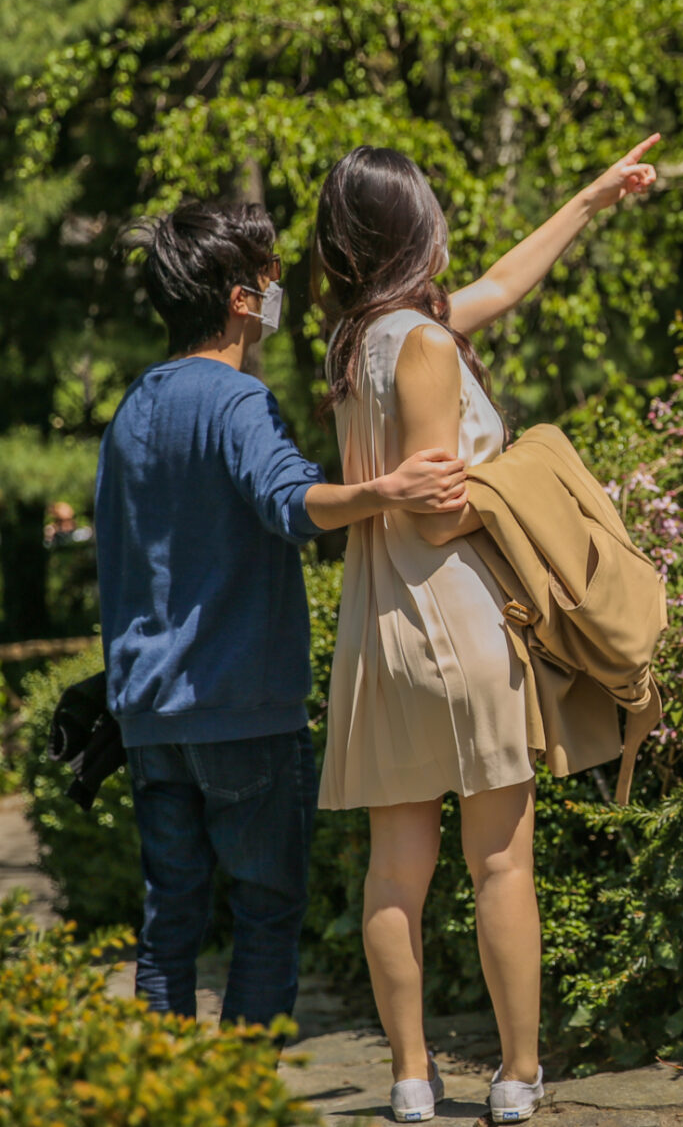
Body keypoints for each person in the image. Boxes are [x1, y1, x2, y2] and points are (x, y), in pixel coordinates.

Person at [312, 136, 657, 1124]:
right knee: (500, 859)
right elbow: (437, 509)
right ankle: (515, 1072)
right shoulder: (424, 344)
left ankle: (410, 1077)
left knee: (395, 868)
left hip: (380, 634)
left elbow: (504, 283)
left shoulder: (358, 343)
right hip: (456, 622)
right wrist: (526, 478)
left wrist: (589, 200)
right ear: (415, 224)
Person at [99, 201, 469, 1030]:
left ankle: (164, 1102)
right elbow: (290, 501)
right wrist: (386, 490)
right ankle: (241, 1097)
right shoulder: (238, 403)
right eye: (267, 273)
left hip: (149, 721)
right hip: (244, 711)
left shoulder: (131, 412)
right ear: (239, 298)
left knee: (170, 929)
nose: (279, 286)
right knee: (265, 916)